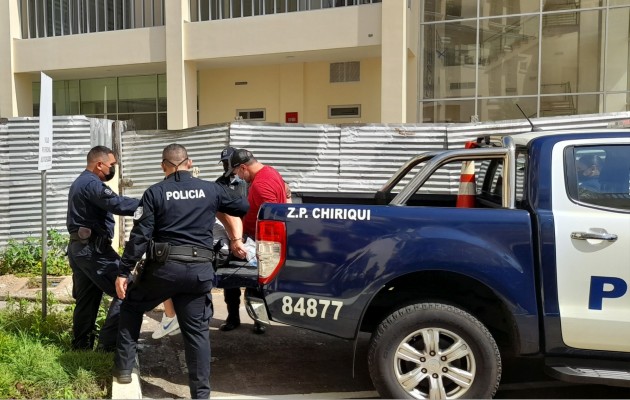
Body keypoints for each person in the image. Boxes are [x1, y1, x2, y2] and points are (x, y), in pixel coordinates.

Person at [113, 143, 248, 399]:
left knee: (131, 306)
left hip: (163, 271)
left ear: (163, 166)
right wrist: (217, 198)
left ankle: (123, 369)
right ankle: (201, 395)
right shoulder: (211, 189)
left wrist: (124, 271)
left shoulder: (155, 192)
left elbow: (140, 236)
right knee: (196, 333)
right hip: (198, 273)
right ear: (189, 163)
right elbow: (241, 207)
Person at [150, 146, 247, 339]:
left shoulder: (230, 185)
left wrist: (236, 240)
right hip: (200, 254)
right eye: (226, 164)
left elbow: (234, 215)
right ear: (190, 163)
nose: (228, 167)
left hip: (213, 249)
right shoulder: (214, 186)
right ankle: (176, 318)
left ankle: (175, 318)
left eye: (231, 164)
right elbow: (240, 208)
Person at [66, 145, 140, 352]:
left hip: (81, 249)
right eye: (112, 165)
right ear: (99, 165)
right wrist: (149, 204)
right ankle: (108, 345)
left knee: (87, 300)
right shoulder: (91, 183)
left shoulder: (82, 181)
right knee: (128, 288)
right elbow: (116, 204)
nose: (113, 168)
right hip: (93, 251)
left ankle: (81, 348)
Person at [222, 148, 288, 334]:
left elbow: (273, 217)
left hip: (257, 242)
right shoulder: (271, 172)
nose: (239, 178)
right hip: (253, 239)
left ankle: (257, 319)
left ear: (243, 167)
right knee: (246, 281)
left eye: (238, 173)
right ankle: (242, 318)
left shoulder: (261, 184)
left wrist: (252, 245)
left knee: (241, 279)